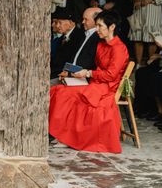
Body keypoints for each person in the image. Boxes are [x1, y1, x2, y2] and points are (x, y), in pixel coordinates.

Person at [49, 11, 130, 153]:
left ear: (112, 27)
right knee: (58, 90)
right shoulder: (102, 44)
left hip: (107, 87)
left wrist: (87, 73)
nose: (97, 29)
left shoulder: (119, 48)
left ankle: (67, 137)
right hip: (96, 82)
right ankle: (62, 134)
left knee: (68, 95)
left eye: (100, 26)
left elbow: (111, 75)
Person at [50, 8, 84, 79]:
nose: (57, 26)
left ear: (71, 23)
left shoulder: (80, 36)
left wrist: (67, 72)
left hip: (67, 74)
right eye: (56, 23)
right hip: (56, 72)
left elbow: (76, 63)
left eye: (60, 23)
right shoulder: (63, 36)